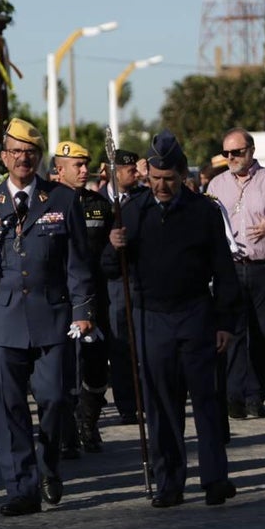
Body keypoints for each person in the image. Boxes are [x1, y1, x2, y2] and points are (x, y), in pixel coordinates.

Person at [0, 118, 94, 517]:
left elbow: (78, 264)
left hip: (51, 316)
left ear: (38, 158)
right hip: (1, 319)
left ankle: (49, 465)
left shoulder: (62, 200)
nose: (22, 159)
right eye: (15, 152)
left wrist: (83, 312)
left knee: (54, 399)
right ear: (3, 158)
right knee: (7, 407)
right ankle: (21, 488)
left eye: (29, 153)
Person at [103, 131, 239, 507]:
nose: (162, 187)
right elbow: (110, 270)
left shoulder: (203, 212)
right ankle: (169, 483)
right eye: (156, 180)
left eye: (169, 180)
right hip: (152, 319)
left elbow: (224, 271)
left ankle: (214, 480)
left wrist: (225, 321)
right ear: (147, 175)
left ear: (181, 175)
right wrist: (114, 248)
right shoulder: (130, 212)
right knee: (162, 406)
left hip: (196, 315)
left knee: (207, 402)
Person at [208, 127, 265, 419]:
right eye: (227, 153)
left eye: (237, 152)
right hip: (230, 269)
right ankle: (233, 397)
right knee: (232, 335)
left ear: (251, 150)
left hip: (264, 268)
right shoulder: (217, 185)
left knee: (261, 334)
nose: (231, 157)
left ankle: (255, 397)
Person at [51, 140, 113, 455]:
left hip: (95, 295)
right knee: (61, 368)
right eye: (78, 165)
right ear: (58, 170)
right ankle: (65, 431)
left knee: (96, 366)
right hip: (58, 297)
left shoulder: (99, 205)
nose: (85, 170)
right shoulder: (45, 202)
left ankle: (88, 422)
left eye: (86, 164)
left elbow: (111, 250)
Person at [101, 149, 146, 426]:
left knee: (143, 343)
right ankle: (127, 405)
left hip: (140, 279)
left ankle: (145, 398)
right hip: (113, 282)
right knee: (120, 347)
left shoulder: (143, 199)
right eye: (129, 169)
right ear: (114, 171)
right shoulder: (97, 202)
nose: (135, 173)